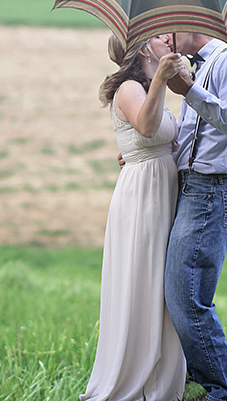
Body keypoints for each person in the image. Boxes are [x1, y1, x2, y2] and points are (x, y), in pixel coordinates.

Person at [79, 33, 186, 401]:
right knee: (143, 279)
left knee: (162, 285)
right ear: (143, 49)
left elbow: (163, 138)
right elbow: (147, 127)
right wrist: (161, 80)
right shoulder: (129, 87)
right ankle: (135, 380)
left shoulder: (151, 88)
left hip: (161, 189)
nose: (167, 38)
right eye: (158, 36)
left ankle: (163, 380)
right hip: (143, 196)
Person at [165, 32, 227, 401]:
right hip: (193, 188)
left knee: (187, 298)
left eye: (170, 28)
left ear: (192, 23)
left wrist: (189, 90)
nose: (167, 39)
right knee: (179, 296)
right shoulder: (199, 69)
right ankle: (198, 385)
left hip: (211, 190)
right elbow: (191, 139)